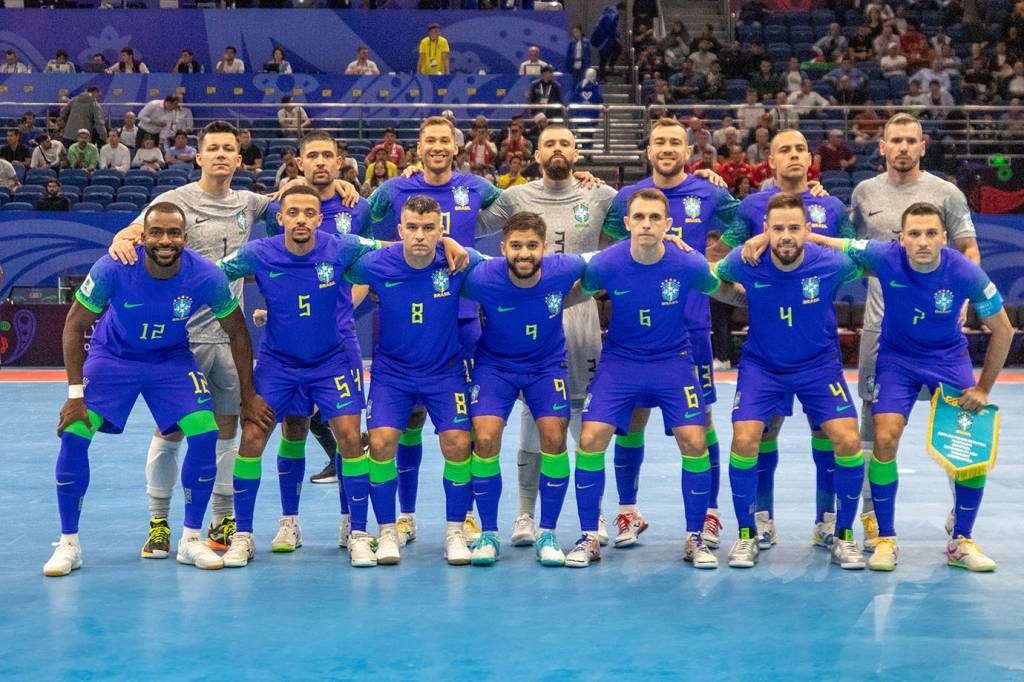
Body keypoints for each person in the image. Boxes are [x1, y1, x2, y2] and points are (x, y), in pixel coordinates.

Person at [105, 122, 338, 558]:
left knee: (226, 431)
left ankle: (222, 521)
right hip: (180, 343)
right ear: (199, 156)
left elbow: (295, 204)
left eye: (228, 149)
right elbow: (133, 233)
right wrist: (121, 238)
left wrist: (334, 183)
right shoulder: (171, 202)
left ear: (238, 158)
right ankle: (159, 524)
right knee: (171, 430)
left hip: (227, 339)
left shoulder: (248, 203)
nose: (220, 155)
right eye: (211, 148)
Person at [42, 201, 273, 577]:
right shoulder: (114, 267)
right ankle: (69, 544)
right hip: (113, 358)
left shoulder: (205, 276)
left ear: (185, 237)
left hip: (170, 360)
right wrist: (74, 396)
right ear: (143, 237)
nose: (165, 241)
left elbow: (237, 331)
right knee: (74, 433)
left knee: (205, 431)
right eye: (157, 233)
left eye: (173, 233)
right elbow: (73, 325)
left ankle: (191, 539)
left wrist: (248, 395)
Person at [808, 203, 1012, 572]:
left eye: (930, 233)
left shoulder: (965, 271)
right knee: (885, 438)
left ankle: (961, 540)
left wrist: (982, 388)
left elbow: (1003, 329)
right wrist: (777, 236)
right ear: (901, 239)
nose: (922, 241)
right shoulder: (885, 256)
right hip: (897, 360)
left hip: (948, 360)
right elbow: (833, 243)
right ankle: (885, 539)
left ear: (944, 238)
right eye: (914, 234)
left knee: (971, 450)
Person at [571, 189, 741, 569]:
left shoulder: (687, 262)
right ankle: (588, 537)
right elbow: (570, 295)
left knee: (695, 441)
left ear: (668, 224)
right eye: (639, 217)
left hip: (673, 362)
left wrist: (770, 295)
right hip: (620, 362)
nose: (646, 224)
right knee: (590, 437)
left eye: (654, 218)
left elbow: (726, 291)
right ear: (627, 223)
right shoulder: (606, 262)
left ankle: (695, 538)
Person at [216, 185, 382, 567]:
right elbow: (211, 272)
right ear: (280, 218)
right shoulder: (259, 253)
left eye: (310, 213)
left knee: (349, 438)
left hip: (332, 361)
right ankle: (255, 531)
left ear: (319, 218)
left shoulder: (342, 246)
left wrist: (450, 246)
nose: (302, 219)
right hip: (279, 364)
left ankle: (355, 530)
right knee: (255, 437)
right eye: (294, 213)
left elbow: (396, 247)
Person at [474, 124, 616, 547]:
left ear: (577, 152)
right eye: (549, 143)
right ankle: (524, 514)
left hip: (579, 312)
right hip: (524, 311)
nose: (557, 149)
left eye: (565, 143)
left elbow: (646, 223)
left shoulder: (601, 195)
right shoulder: (515, 197)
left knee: (584, 421)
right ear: (536, 155)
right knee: (533, 416)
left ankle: (596, 514)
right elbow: (467, 218)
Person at [601, 117, 737, 549]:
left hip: (691, 327)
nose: (666, 148)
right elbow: (609, 243)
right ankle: (627, 512)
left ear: (688, 150)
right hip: (635, 333)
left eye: (674, 142)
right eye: (659, 141)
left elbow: (742, 226)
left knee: (702, 424)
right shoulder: (628, 197)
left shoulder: (709, 192)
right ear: (648, 149)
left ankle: (709, 514)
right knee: (632, 421)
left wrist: (707, 256)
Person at [366, 117, 502, 544]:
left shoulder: (478, 187)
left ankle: (466, 519)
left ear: (456, 147)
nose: (438, 146)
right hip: (404, 315)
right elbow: (357, 226)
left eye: (445, 140)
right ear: (417, 147)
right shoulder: (392, 189)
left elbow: (518, 205)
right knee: (403, 421)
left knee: (463, 428)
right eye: (430, 141)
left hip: (460, 321)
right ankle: (403, 516)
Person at [848, 113, 980, 551]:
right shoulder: (864, 193)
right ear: (881, 146)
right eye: (895, 141)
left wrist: (964, 299)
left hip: (940, 334)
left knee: (957, 421)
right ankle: (871, 515)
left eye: (911, 140)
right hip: (880, 331)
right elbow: (848, 248)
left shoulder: (947, 193)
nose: (903, 147)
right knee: (875, 424)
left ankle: (958, 515)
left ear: (923, 146)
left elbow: (967, 248)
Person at [716, 192, 867, 570]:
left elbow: (873, 260)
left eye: (794, 229)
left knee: (848, 440)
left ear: (808, 230)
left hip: (818, 366)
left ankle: (841, 533)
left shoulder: (832, 263)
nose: (786, 236)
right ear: (765, 230)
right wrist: (742, 296)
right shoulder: (745, 260)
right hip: (762, 366)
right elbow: (711, 277)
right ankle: (748, 533)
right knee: (746, 438)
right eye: (778, 228)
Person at [345, 196, 484, 564]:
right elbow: (334, 257)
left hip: (444, 372)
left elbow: (512, 266)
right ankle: (388, 532)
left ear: (441, 230)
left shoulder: (457, 262)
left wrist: (457, 246)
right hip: (393, 374)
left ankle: (455, 532)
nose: (420, 235)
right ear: (400, 230)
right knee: (380, 442)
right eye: (412, 228)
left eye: (429, 228)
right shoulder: (376, 264)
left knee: (457, 442)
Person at [460, 211, 590, 566]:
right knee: (484, 440)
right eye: (516, 246)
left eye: (532, 246)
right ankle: (488, 534)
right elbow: (445, 261)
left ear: (544, 248)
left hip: (546, 367)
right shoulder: (482, 275)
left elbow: (613, 259)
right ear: (502, 248)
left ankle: (546, 532)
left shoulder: (565, 268)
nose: (524, 253)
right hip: (495, 367)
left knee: (554, 438)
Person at [261, 132, 373, 497]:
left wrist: (339, 309)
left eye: (328, 156)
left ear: (340, 162)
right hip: (288, 342)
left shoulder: (359, 207)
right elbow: (268, 259)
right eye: (313, 156)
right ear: (300, 163)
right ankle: (289, 520)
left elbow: (365, 267)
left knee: (348, 430)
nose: (321, 162)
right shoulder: (277, 208)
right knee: (292, 425)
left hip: (339, 336)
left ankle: (350, 522)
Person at [591, 2, 625, 80]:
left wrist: (616, 34)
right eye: (623, 11)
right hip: (605, 39)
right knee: (605, 57)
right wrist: (616, 35)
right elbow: (609, 29)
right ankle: (604, 74)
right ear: (621, 9)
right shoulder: (614, 15)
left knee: (615, 49)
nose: (623, 14)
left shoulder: (609, 10)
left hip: (600, 37)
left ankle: (606, 71)